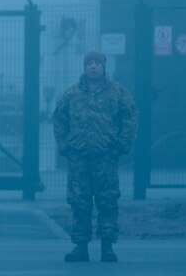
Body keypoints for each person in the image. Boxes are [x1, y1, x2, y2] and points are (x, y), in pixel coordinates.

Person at [52, 49, 138, 262]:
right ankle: (81, 246)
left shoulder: (118, 93)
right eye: (89, 62)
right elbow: (59, 119)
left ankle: (107, 247)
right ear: (84, 66)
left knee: (107, 201)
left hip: (105, 157)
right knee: (79, 202)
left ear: (103, 66)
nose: (93, 66)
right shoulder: (71, 95)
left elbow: (130, 119)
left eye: (97, 63)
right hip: (78, 158)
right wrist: (65, 146)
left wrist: (120, 147)